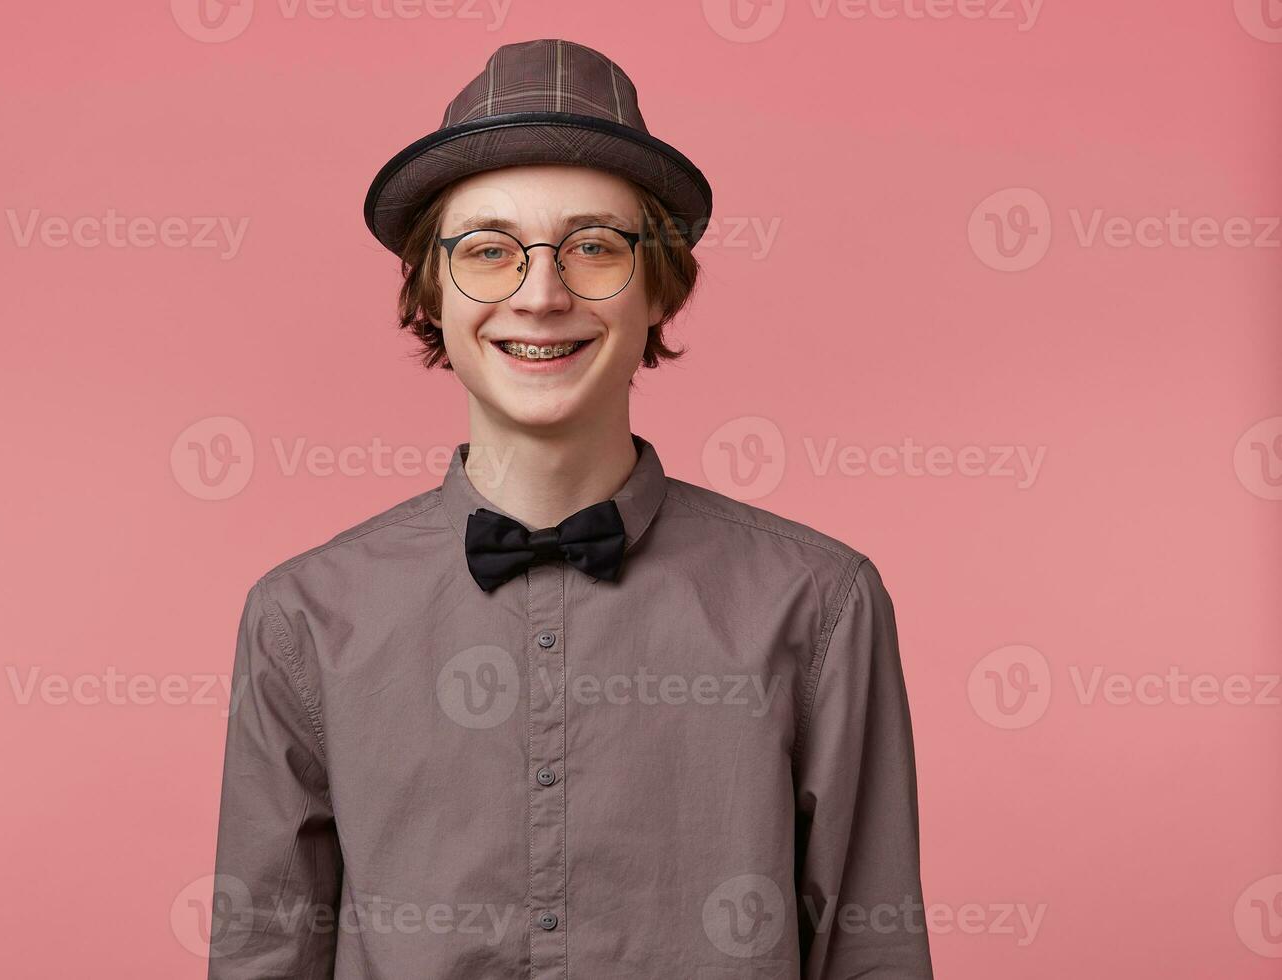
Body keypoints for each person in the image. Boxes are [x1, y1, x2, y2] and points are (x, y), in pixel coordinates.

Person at [207, 37, 934, 980]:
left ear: (658, 290)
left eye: (593, 247)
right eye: (489, 251)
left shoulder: (823, 605)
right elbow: (263, 957)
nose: (541, 294)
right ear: (432, 291)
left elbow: (873, 954)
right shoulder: (300, 619)